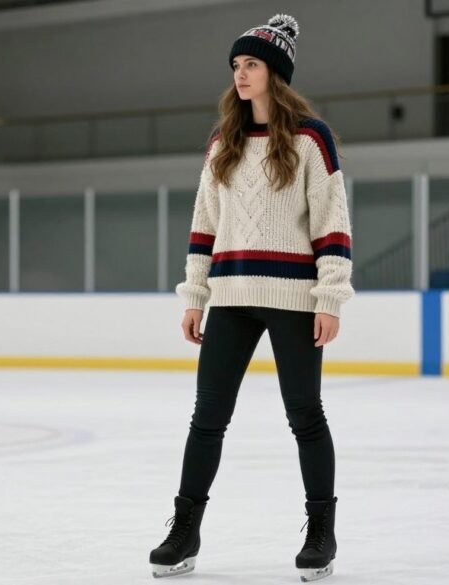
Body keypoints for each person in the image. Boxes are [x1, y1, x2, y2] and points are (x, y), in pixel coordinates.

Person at [148, 13, 354, 582]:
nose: (241, 74)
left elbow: (333, 223)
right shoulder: (223, 141)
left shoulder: (313, 138)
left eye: (252, 65)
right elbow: (203, 225)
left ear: (275, 74)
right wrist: (195, 296)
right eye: (236, 65)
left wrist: (330, 297)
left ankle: (321, 533)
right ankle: (184, 530)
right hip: (232, 295)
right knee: (206, 417)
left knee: (304, 415)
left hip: (295, 296)